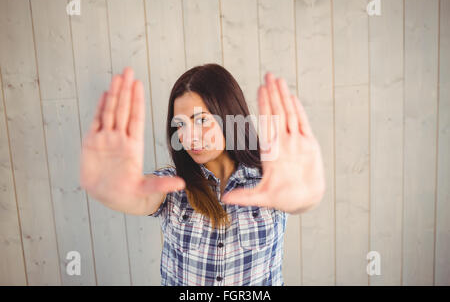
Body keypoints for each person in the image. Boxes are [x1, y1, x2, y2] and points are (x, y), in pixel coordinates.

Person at [80, 63, 325, 286]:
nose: (189, 137)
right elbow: (139, 196)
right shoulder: (172, 185)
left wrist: (308, 196)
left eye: (201, 120)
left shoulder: (271, 179)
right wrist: (115, 193)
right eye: (180, 125)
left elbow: (299, 200)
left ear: (229, 116)